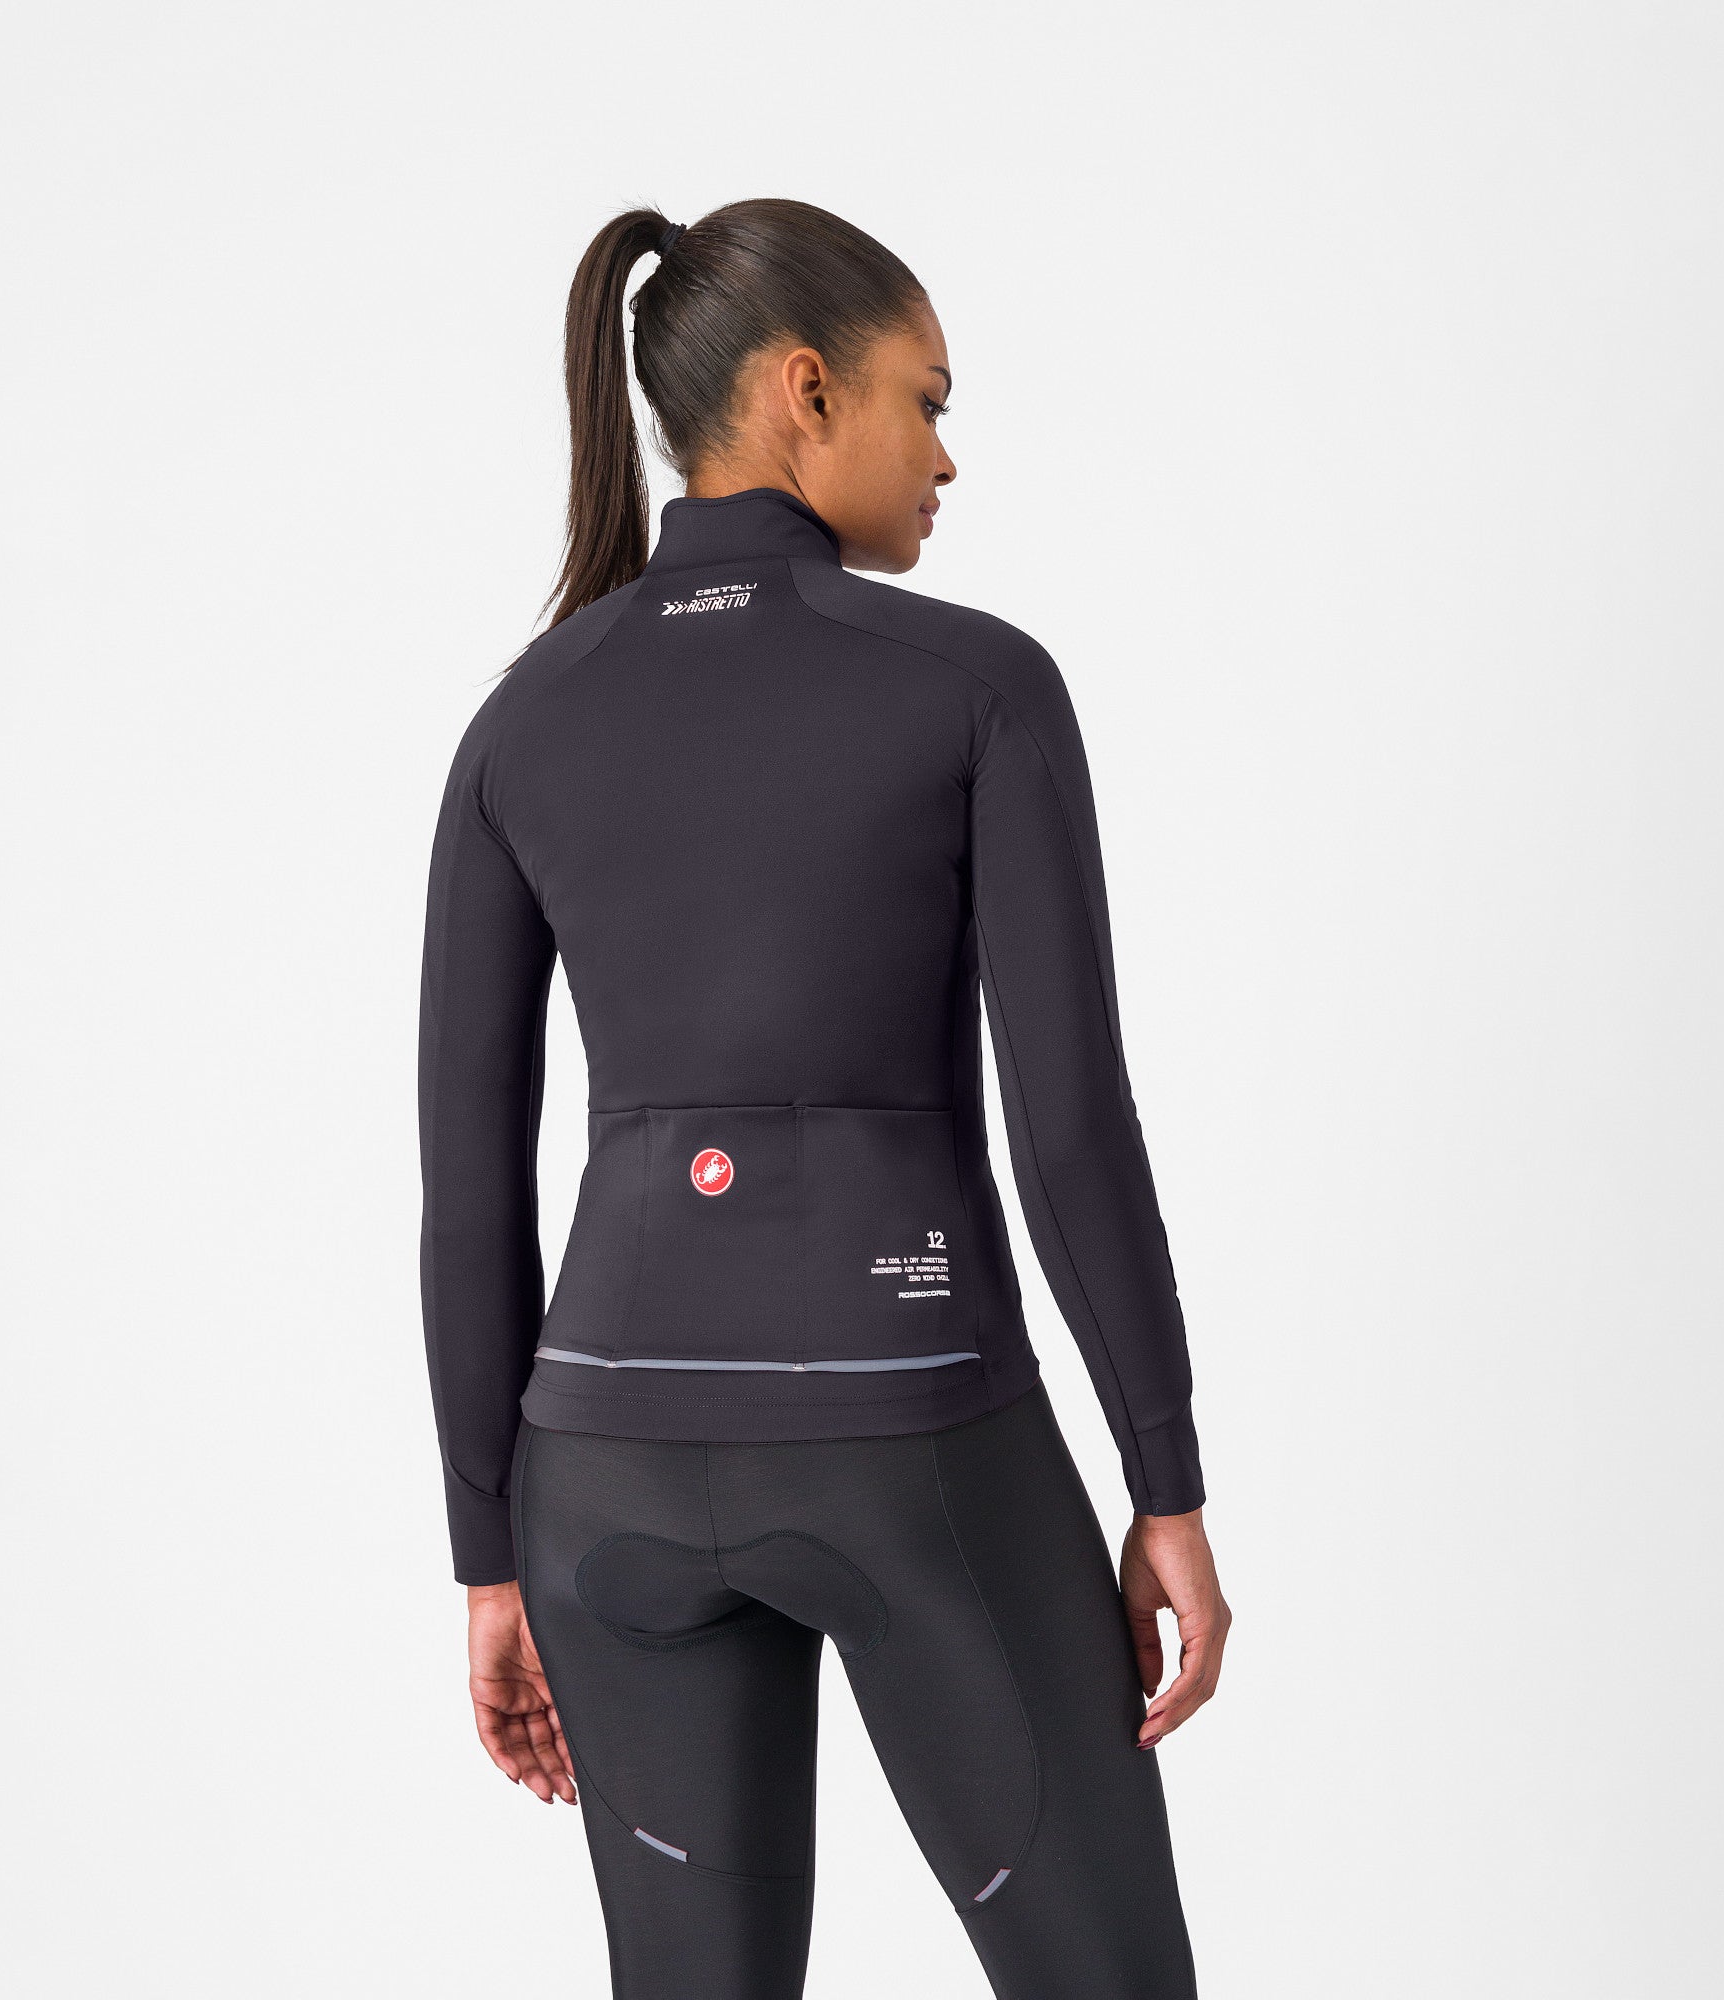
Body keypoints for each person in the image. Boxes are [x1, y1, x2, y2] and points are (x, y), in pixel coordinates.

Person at [418, 197, 1230, 1998]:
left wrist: (489, 1558)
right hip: (913, 1438)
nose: (944, 457)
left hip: (600, 1485)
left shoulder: (522, 720)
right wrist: (1162, 1480)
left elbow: (466, 1194)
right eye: (923, 402)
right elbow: (1072, 1126)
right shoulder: (975, 686)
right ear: (806, 392)